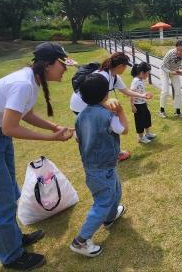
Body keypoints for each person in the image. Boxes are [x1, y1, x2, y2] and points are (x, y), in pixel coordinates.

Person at [0, 42, 76, 270]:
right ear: (48, 64)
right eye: (62, 63)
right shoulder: (23, 83)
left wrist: (53, 127)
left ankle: (14, 239)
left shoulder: (31, 80)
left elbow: (26, 113)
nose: (65, 68)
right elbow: (9, 127)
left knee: (8, 191)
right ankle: (12, 256)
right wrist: (52, 138)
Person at [70, 74, 128, 257]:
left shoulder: (80, 117)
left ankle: (110, 218)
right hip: (103, 168)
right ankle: (80, 241)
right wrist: (120, 112)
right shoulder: (107, 115)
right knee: (102, 202)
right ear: (105, 94)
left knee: (116, 191)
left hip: (94, 167)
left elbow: (78, 138)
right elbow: (123, 130)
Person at [69, 52, 152, 160]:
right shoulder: (103, 76)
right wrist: (114, 109)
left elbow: (126, 91)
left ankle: (86, 140)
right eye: (125, 66)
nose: (126, 68)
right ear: (119, 66)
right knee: (104, 129)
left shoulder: (114, 76)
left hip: (85, 104)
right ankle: (112, 153)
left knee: (97, 129)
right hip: (82, 104)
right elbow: (96, 98)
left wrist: (142, 95)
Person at [159, 40, 182, 118]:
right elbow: (162, 66)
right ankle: (162, 111)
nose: (179, 52)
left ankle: (178, 111)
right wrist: (171, 72)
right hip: (165, 71)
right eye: (177, 49)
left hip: (175, 71)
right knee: (165, 91)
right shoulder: (170, 53)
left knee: (178, 91)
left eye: (181, 50)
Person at [130, 62, 156, 144]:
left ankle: (147, 134)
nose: (147, 76)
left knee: (147, 117)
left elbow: (140, 92)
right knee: (140, 121)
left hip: (143, 104)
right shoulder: (136, 81)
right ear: (142, 73)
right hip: (138, 106)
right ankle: (141, 137)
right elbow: (131, 93)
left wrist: (145, 99)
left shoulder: (140, 80)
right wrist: (132, 105)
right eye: (147, 74)